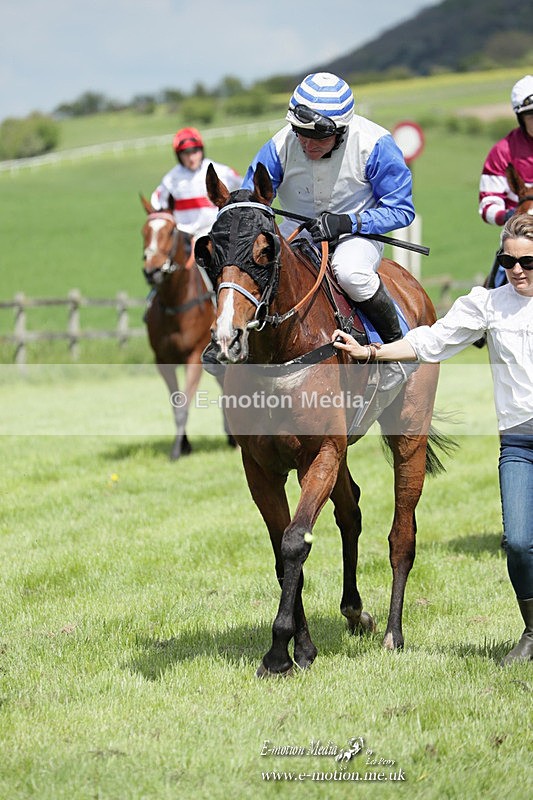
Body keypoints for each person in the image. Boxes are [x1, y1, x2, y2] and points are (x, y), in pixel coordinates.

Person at [332, 213, 533, 665]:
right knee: (520, 544)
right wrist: (372, 351)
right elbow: (430, 341)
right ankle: (532, 631)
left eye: (528, 262)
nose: (517, 270)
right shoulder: (489, 304)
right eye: (508, 262)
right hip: (519, 443)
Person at [241, 72, 415, 388]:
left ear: (341, 130)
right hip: (297, 231)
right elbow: (251, 201)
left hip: (356, 234)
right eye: (300, 134)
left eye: (318, 138)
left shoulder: (376, 144)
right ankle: (230, 343)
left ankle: (396, 352)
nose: (307, 144)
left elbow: (402, 210)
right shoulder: (278, 146)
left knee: (350, 273)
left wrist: (348, 222)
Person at [478, 74, 533, 289]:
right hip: (518, 234)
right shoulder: (502, 151)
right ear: (521, 118)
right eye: (531, 116)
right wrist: (507, 215)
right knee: (505, 271)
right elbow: (487, 205)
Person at [150, 127, 242, 239]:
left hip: (217, 233)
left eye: (194, 152)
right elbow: (158, 204)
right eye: (186, 154)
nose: (191, 158)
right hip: (185, 237)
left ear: (201, 151)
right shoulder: (170, 179)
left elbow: (243, 190)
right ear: (178, 156)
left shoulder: (222, 172)